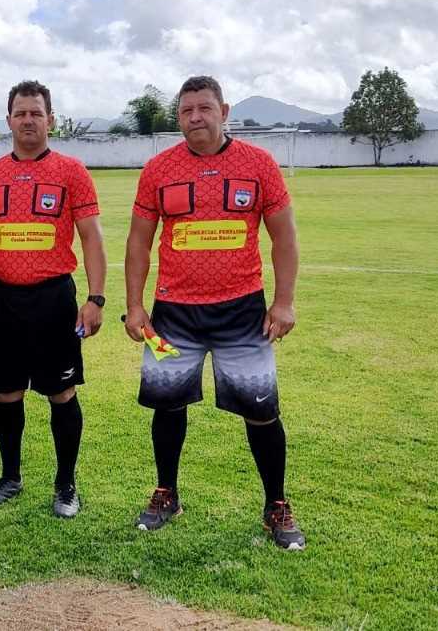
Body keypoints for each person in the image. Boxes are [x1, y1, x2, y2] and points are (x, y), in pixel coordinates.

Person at [124, 75, 305, 550]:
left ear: (224, 112)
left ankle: (276, 505)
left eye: (204, 108)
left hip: (242, 312)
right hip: (172, 315)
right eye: (186, 111)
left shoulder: (259, 164)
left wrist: (283, 301)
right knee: (167, 404)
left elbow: (284, 237)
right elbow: (139, 242)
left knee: (261, 411)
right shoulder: (159, 169)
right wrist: (135, 306)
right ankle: (166, 493)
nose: (195, 117)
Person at [0, 80, 106, 518]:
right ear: (8, 120)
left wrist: (96, 298)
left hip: (54, 298)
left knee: (62, 392)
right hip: (3, 299)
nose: (28, 120)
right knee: (6, 392)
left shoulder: (72, 172)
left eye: (36, 113)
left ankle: (66, 484)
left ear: (51, 119)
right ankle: (10, 477)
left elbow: (91, 237)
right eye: (20, 113)